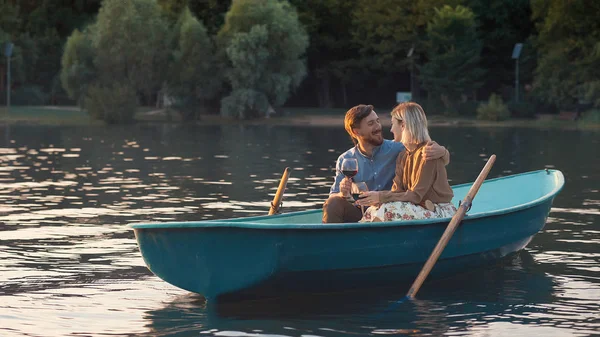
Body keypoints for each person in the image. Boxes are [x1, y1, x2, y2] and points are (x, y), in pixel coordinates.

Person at [322, 104, 449, 223]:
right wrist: (343, 193)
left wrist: (443, 152)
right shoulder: (346, 159)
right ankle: (332, 241)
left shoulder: (398, 148)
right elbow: (334, 195)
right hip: (366, 210)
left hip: (391, 206)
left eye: (378, 121)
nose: (379, 127)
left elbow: (422, 150)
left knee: (387, 210)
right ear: (356, 132)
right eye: (371, 123)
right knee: (332, 203)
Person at [356, 102, 456, 222]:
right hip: (417, 206)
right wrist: (379, 200)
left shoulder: (428, 153)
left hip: (439, 209)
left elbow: (416, 195)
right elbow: (397, 191)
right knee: (373, 210)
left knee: (389, 210)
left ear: (403, 125)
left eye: (393, 124)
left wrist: (381, 196)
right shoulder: (403, 155)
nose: (391, 130)